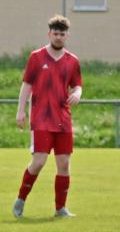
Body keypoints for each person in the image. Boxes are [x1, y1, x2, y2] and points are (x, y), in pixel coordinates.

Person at [12, 15, 83, 219]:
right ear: (49, 34)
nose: (59, 37)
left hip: (63, 120)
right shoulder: (36, 57)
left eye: (62, 34)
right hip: (41, 119)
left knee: (63, 164)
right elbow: (26, 85)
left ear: (67, 35)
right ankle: (21, 199)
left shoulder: (72, 61)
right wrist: (20, 111)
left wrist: (77, 93)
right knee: (39, 161)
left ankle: (60, 209)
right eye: (55, 33)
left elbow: (77, 84)